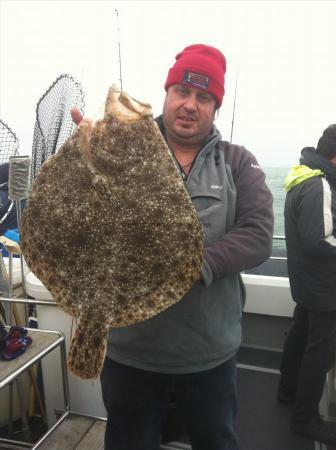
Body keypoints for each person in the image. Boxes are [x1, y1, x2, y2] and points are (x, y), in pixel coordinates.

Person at [72, 44, 274, 450]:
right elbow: (80, 216)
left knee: (215, 440)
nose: (189, 105)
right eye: (182, 91)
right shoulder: (121, 150)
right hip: (131, 353)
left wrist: (189, 267)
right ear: (165, 95)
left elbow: (258, 233)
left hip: (209, 356)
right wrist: (85, 157)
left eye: (203, 97)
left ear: (215, 108)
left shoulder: (237, 162)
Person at [278, 124, 336, 445]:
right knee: (320, 351)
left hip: (305, 283)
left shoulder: (301, 177)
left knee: (300, 334)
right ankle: (305, 419)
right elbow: (319, 240)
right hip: (325, 288)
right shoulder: (320, 186)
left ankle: (286, 390)